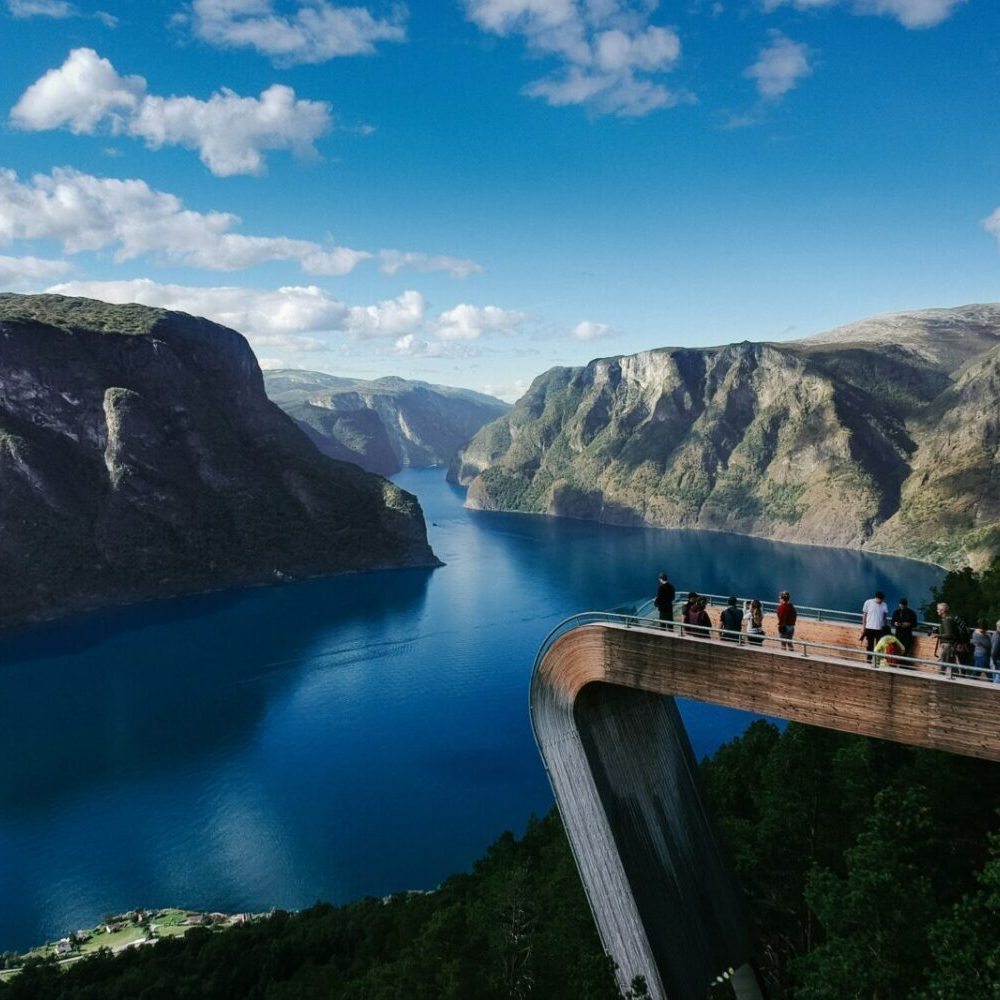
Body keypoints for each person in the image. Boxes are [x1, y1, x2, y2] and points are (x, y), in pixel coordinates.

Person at [860, 590, 890, 661]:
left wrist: (885, 628)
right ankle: (869, 660)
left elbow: (884, 617)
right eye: (879, 600)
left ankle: (878, 660)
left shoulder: (884, 605)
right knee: (870, 645)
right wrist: (863, 627)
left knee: (879, 646)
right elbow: (864, 615)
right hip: (869, 627)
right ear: (876, 598)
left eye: (881, 600)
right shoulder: (868, 602)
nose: (880, 601)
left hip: (880, 629)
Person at [935, 602, 959, 668]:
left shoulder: (947, 620)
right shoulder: (948, 619)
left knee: (943, 666)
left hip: (947, 646)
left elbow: (949, 634)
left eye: (938, 609)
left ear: (942, 611)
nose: (937, 611)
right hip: (948, 646)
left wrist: (938, 636)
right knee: (947, 665)